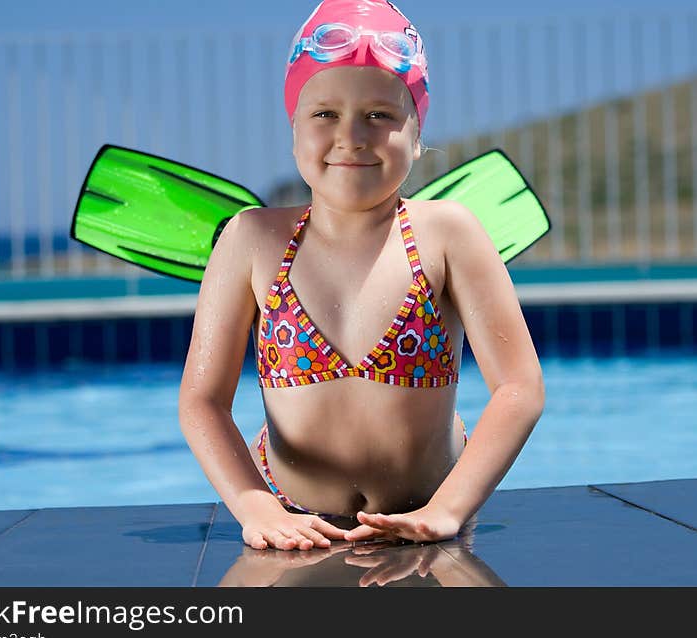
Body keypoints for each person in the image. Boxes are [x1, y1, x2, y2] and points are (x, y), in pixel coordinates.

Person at [178, 0, 544, 551]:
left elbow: (519, 388)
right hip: (292, 509)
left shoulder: (447, 234)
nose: (352, 136)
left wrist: (448, 509)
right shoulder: (251, 240)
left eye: (380, 115)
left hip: (432, 502)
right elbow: (202, 401)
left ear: (417, 137)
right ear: (294, 131)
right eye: (324, 114)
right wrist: (253, 505)